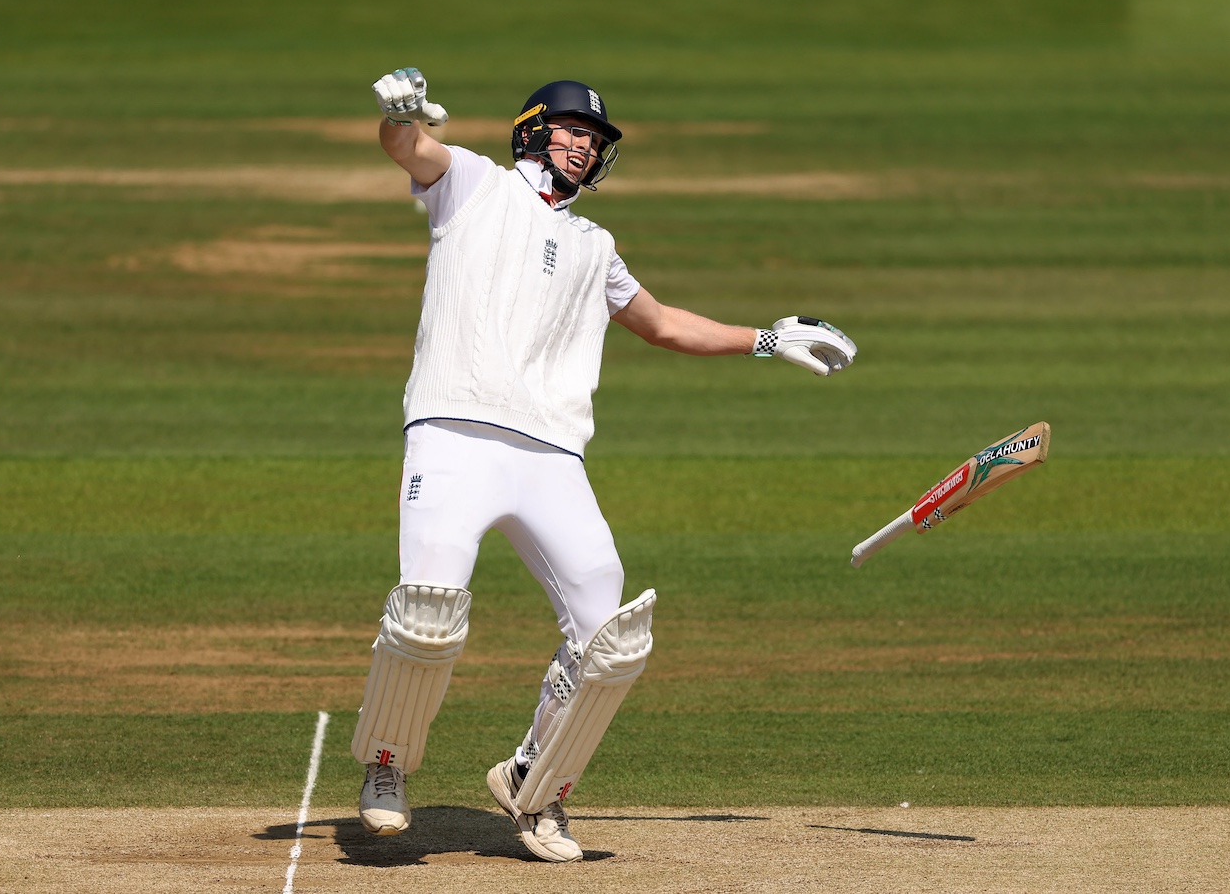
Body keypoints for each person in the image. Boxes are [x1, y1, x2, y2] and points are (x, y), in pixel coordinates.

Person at [350, 67, 857, 863]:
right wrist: (402, 112)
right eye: (572, 131)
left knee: (608, 634)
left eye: (595, 139)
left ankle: (534, 785)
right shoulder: (474, 184)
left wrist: (764, 337)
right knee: (428, 613)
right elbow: (407, 148)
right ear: (532, 131)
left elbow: (662, 325)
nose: (585, 146)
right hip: (454, 434)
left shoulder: (596, 245)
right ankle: (386, 765)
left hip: (552, 451)